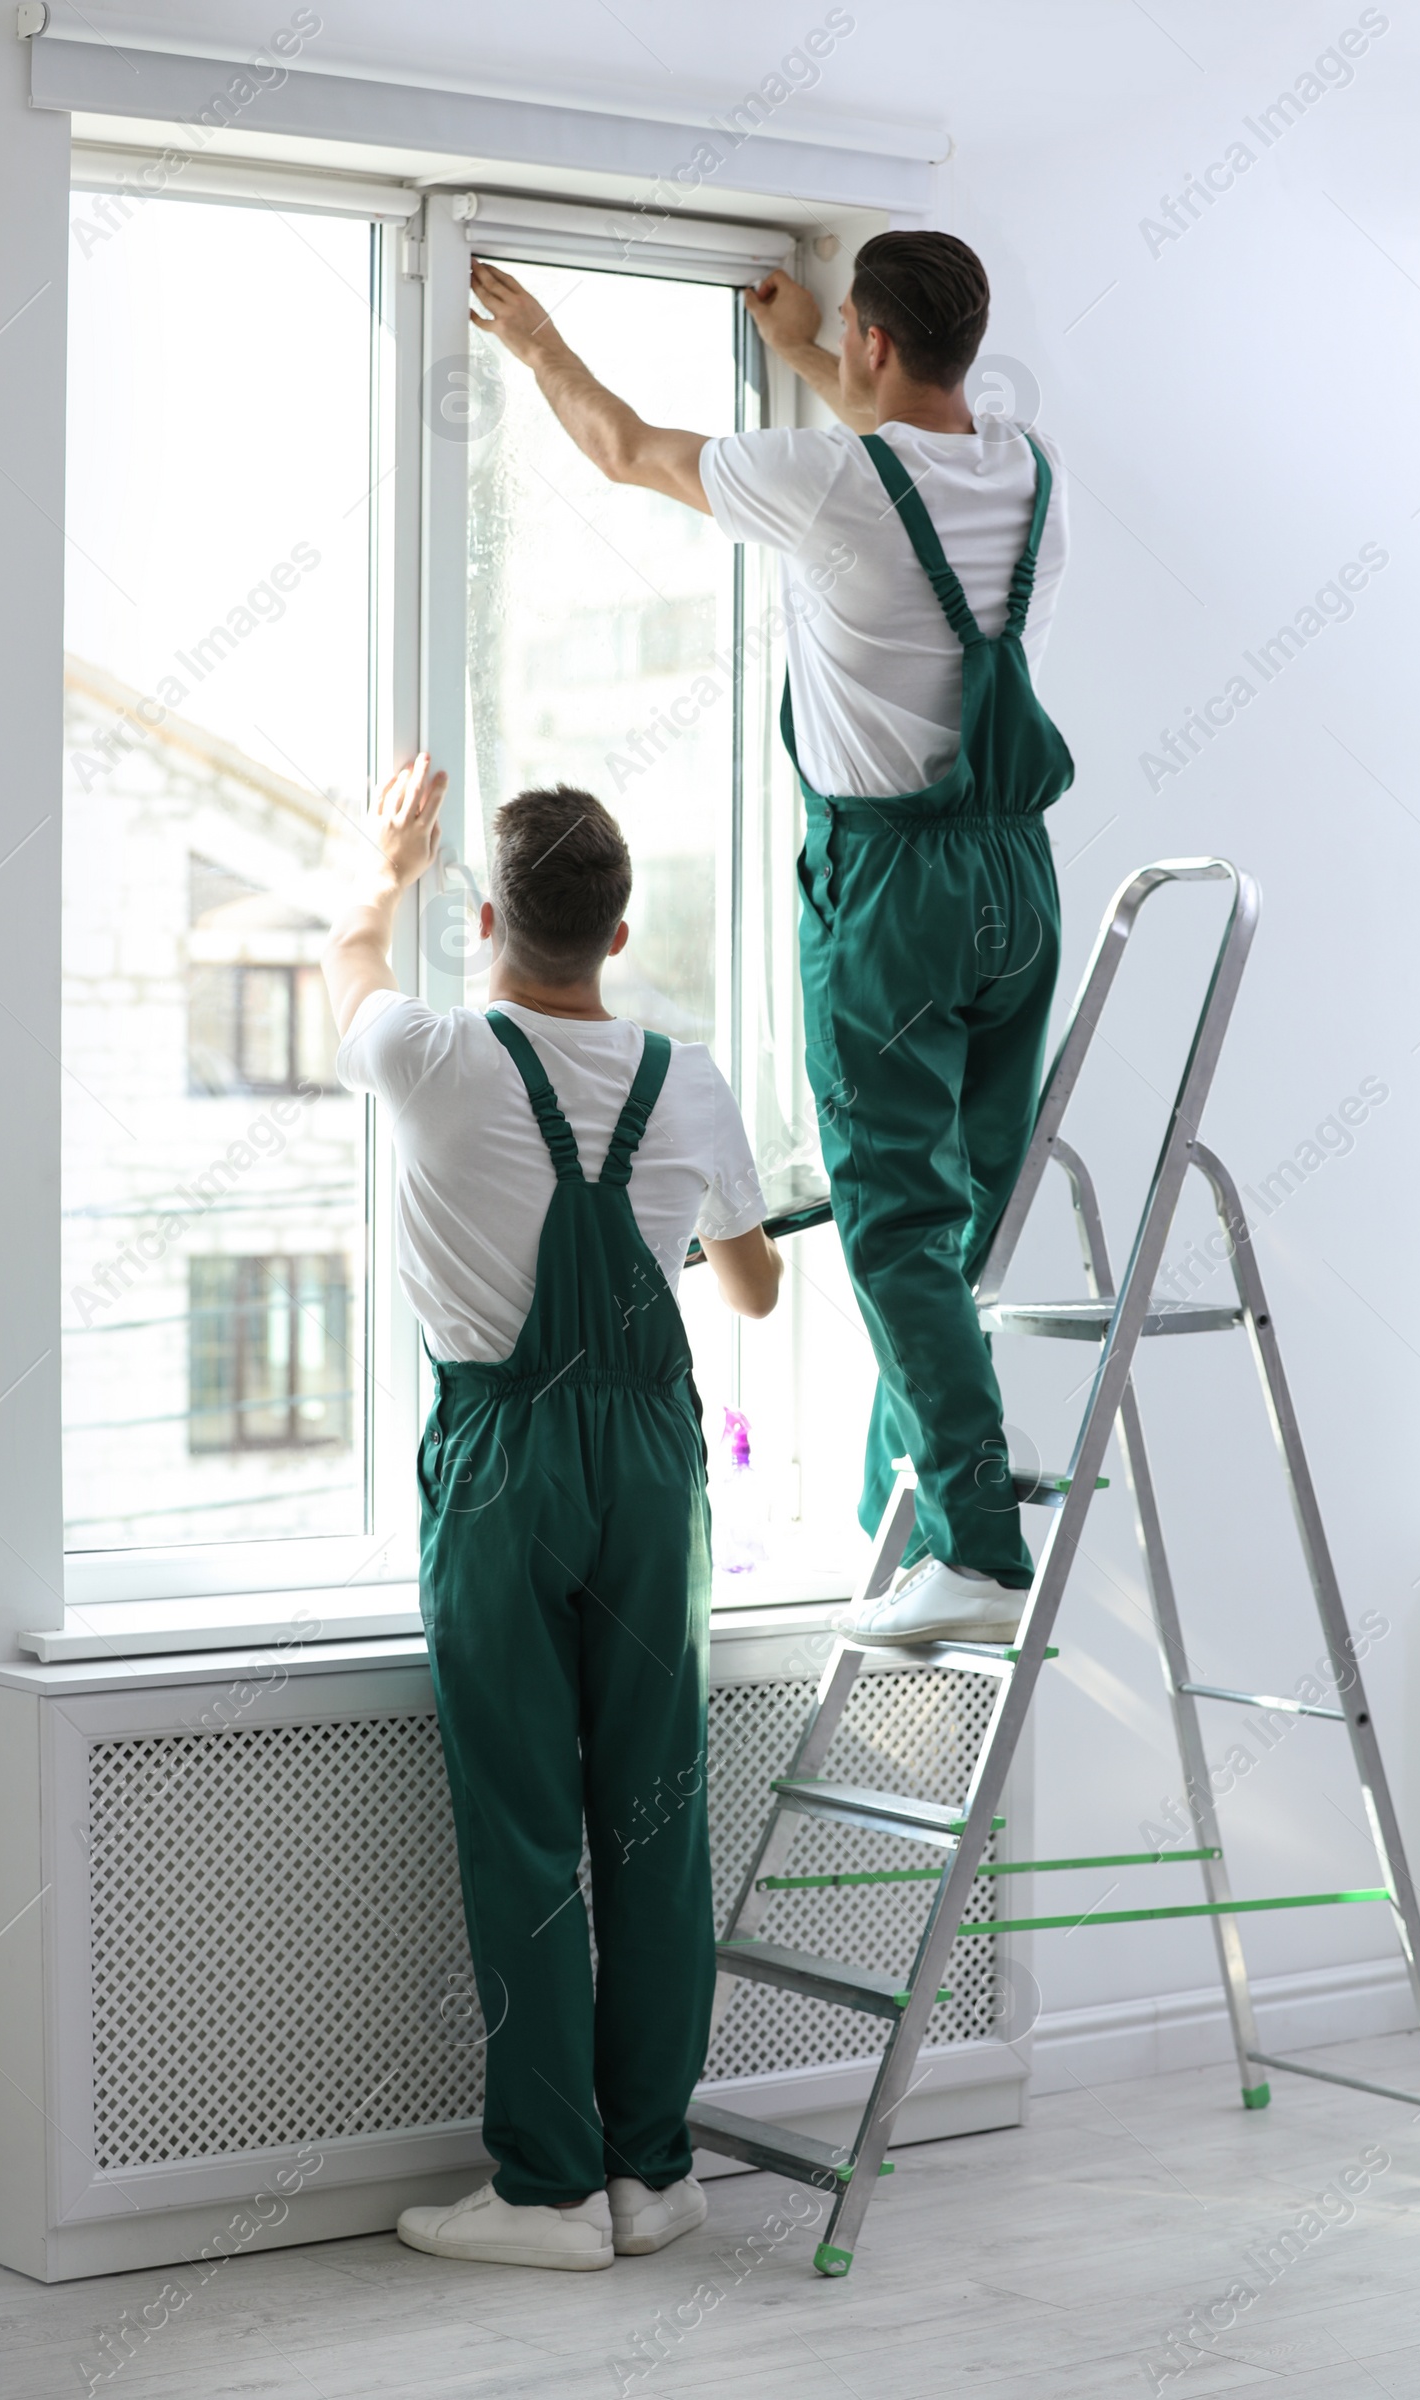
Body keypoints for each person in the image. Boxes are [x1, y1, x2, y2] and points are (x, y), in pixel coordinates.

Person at [468, 230, 1072, 1650]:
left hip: (892, 893)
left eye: (848, 337)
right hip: (1018, 880)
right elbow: (898, 428)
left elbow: (622, 448)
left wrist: (539, 340)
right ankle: (914, 1502)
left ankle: (975, 1549)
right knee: (964, 1218)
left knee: (893, 1219)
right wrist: (811, 345)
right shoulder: (1029, 471)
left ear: (872, 338)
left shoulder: (820, 484)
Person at [322, 763, 782, 2271]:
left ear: (489, 918)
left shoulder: (432, 1055)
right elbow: (755, 1282)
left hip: (505, 1464)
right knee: (654, 1809)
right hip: (651, 1465)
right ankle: (655, 2172)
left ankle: (547, 2193)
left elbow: (347, 960)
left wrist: (385, 867)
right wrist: (714, 1233)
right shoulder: (690, 1078)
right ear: (623, 928)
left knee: (526, 1826)